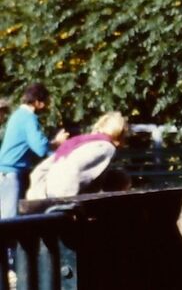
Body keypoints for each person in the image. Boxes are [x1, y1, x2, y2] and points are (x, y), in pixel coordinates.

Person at [26, 111, 130, 202]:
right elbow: (73, 168)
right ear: (120, 134)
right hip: (60, 198)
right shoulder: (105, 147)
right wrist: (68, 203)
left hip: (42, 193)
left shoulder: (82, 142)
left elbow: (40, 170)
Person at [0, 83, 69, 218]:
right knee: (9, 222)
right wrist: (58, 144)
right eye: (45, 103)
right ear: (37, 102)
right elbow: (41, 149)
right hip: (9, 174)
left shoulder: (18, 115)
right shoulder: (28, 118)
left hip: (5, 172)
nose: (46, 107)